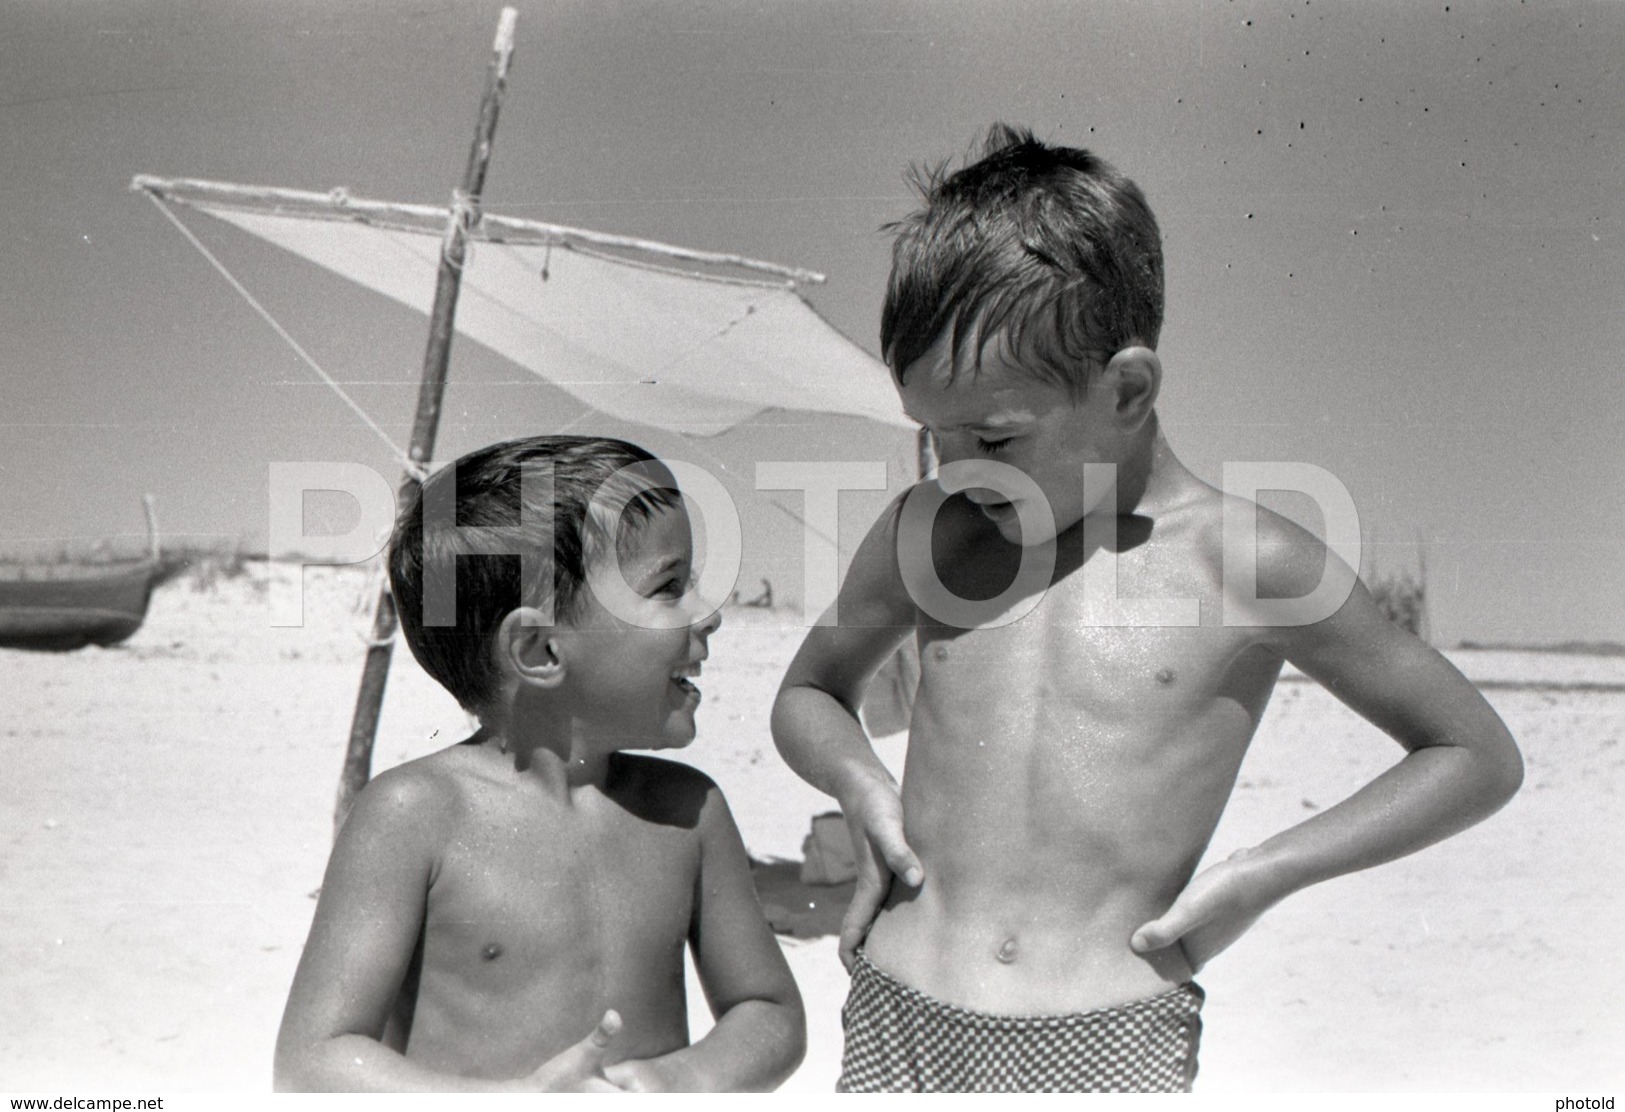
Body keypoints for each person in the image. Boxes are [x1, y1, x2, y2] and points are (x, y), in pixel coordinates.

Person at [771, 124, 1523, 1093]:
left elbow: (1471, 754)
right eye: (932, 435)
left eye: (994, 437)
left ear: (1125, 387)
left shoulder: (1242, 558)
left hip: (1110, 1025)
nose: (956, 467)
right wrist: (863, 788)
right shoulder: (935, 531)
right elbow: (808, 692)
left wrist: (1266, 867)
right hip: (896, 998)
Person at [275, 435, 804, 1092]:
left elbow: (771, 1014)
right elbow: (313, 1061)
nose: (709, 612)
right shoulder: (414, 815)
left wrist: (682, 1079)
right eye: (670, 587)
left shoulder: (688, 813)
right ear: (539, 650)